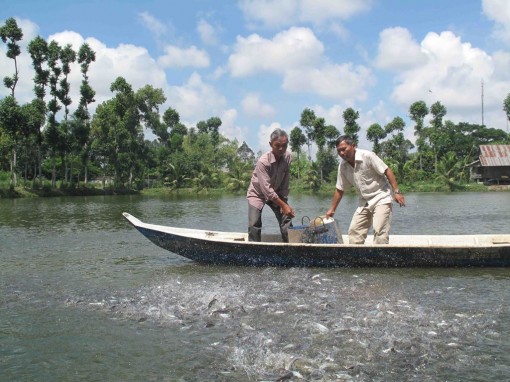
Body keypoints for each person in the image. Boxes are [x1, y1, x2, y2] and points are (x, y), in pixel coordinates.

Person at [325, 135, 406, 244]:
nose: (342, 153)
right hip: (364, 202)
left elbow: (387, 170)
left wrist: (396, 192)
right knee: (354, 232)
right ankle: (357, 260)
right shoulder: (342, 166)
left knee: (380, 232)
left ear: (353, 146)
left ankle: (381, 260)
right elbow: (340, 189)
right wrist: (332, 209)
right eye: (339, 151)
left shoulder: (367, 156)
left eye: (344, 149)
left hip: (381, 197)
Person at [247, 128, 296, 242]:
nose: (281, 149)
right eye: (277, 145)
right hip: (258, 193)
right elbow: (267, 190)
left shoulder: (288, 157)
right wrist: (283, 205)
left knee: (286, 218)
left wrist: (283, 202)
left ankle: (291, 246)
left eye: (284, 145)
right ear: (271, 144)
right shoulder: (263, 162)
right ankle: (254, 249)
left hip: (277, 192)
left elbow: (285, 180)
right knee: (254, 223)